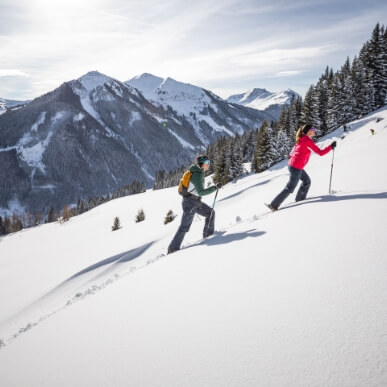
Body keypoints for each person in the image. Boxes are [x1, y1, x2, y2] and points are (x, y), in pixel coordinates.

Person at [267, 124, 336, 211]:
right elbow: (320, 152)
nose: (314, 130)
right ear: (308, 131)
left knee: (306, 181)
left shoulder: (301, 138)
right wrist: (330, 147)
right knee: (290, 188)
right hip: (296, 167)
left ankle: (300, 199)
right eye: (313, 129)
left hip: (294, 166)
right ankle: (274, 205)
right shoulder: (307, 140)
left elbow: (291, 153)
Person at [168, 155, 221, 254]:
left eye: (209, 162)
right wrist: (214, 188)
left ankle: (208, 236)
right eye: (207, 163)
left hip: (195, 201)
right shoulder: (197, 175)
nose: (209, 164)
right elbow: (201, 192)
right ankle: (172, 248)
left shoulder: (199, 172)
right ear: (202, 163)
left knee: (210, 213)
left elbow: (198, 192)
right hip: (190, 203)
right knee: (184, 226)